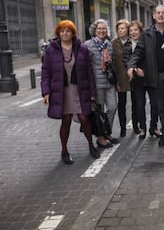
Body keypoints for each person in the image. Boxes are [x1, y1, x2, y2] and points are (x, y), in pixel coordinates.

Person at [41, 20, 100, 164]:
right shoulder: (51, 49)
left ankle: (91, 145)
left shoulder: (81, 48)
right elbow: (46, 72)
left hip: (80, 90)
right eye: (62, 31)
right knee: (65, 121)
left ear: (73, 33)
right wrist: (46, 92)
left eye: (68, 31)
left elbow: (89, 71)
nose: (65, 34)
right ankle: (64, 151)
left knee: (84, 118)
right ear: (58, 33)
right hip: (61, 91)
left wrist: (93, 91)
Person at [127, 5, 164, 147]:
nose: (160, 15)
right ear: (154, 15)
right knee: (162, 106)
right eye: (158, 13)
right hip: (157, 75)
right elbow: (138, 51)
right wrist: (131, 65)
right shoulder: (147, 33)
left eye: (163, 13)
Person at [85, 19, 119, 148]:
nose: (102, 31)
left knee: (112, 107)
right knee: (99, 112)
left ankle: (107, 131)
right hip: (96, 84)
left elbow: (113, 63)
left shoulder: (108, 45)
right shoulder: (88, 45)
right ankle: (100, 137)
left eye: (104, 29)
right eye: (99, 28)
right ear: (94, 30)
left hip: (109, 82)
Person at [124, 20, 160, 139]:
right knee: (140, 104)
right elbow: (127, 60)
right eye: (131, 31)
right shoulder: (128, 45)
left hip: (150, 77)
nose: (133, 32)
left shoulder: (148, 40)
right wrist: (135, 70)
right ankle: (143, 128)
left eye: (136, 30)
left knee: (155, 104)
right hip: (137, 79)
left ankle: (153, 127)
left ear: (140, 31)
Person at [111, 19, 131, 137]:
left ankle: (137, 125)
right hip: (120, 76)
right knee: (121, 104)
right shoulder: (113, 43)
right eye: (118, 29)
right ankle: (123, 128)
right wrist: (115, 80)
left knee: (136, 102)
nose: (120, 31)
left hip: (132, 76)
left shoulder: (133, 41)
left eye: (123, 28)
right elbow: (112, 62)